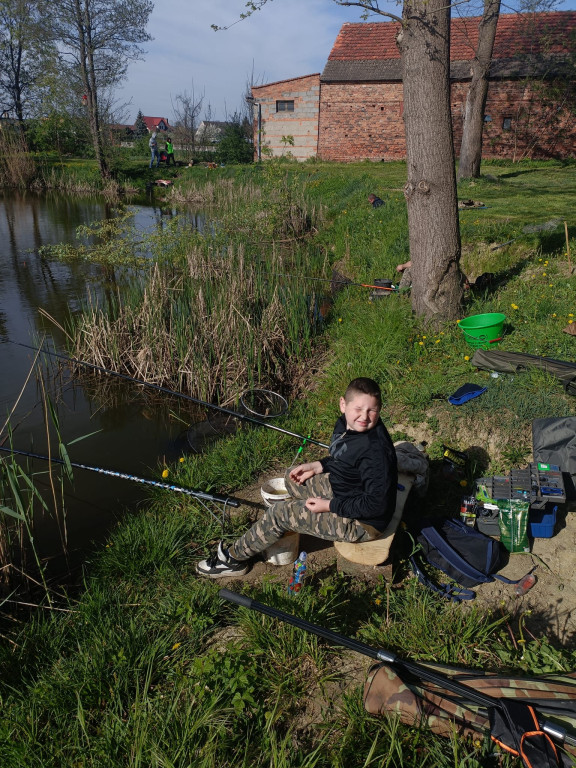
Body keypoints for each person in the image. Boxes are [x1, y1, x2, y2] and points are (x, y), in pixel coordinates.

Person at [196, 377, 398, 578]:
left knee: (279, 514)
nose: (365, 416)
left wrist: (328, 506)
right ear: (343, 404)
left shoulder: (375, 452)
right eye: (359, 409)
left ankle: (233, 560)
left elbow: (375, 505)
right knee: (291, 477)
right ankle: (288, 521)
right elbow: (345, 456)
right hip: (346, 490)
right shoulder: (347, 425)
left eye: (372, 410)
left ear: (379, 410)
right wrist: (318, 466)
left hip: (362, 522)